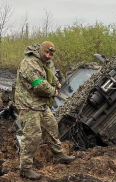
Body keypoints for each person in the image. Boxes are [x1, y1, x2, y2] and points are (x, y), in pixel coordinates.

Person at [15, 41, 75, 180]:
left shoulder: (43, 62)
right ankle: (25, 169)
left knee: (52, 127)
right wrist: (54, 92)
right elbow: (39, 84)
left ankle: (58, 155)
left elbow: (49, 74)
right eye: (47, 52)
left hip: (40, 104)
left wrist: (57, 83)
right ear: (40, 50)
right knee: (32, 136)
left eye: (51, 54)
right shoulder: (29, 63)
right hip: (28, 105)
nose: (48, 56)